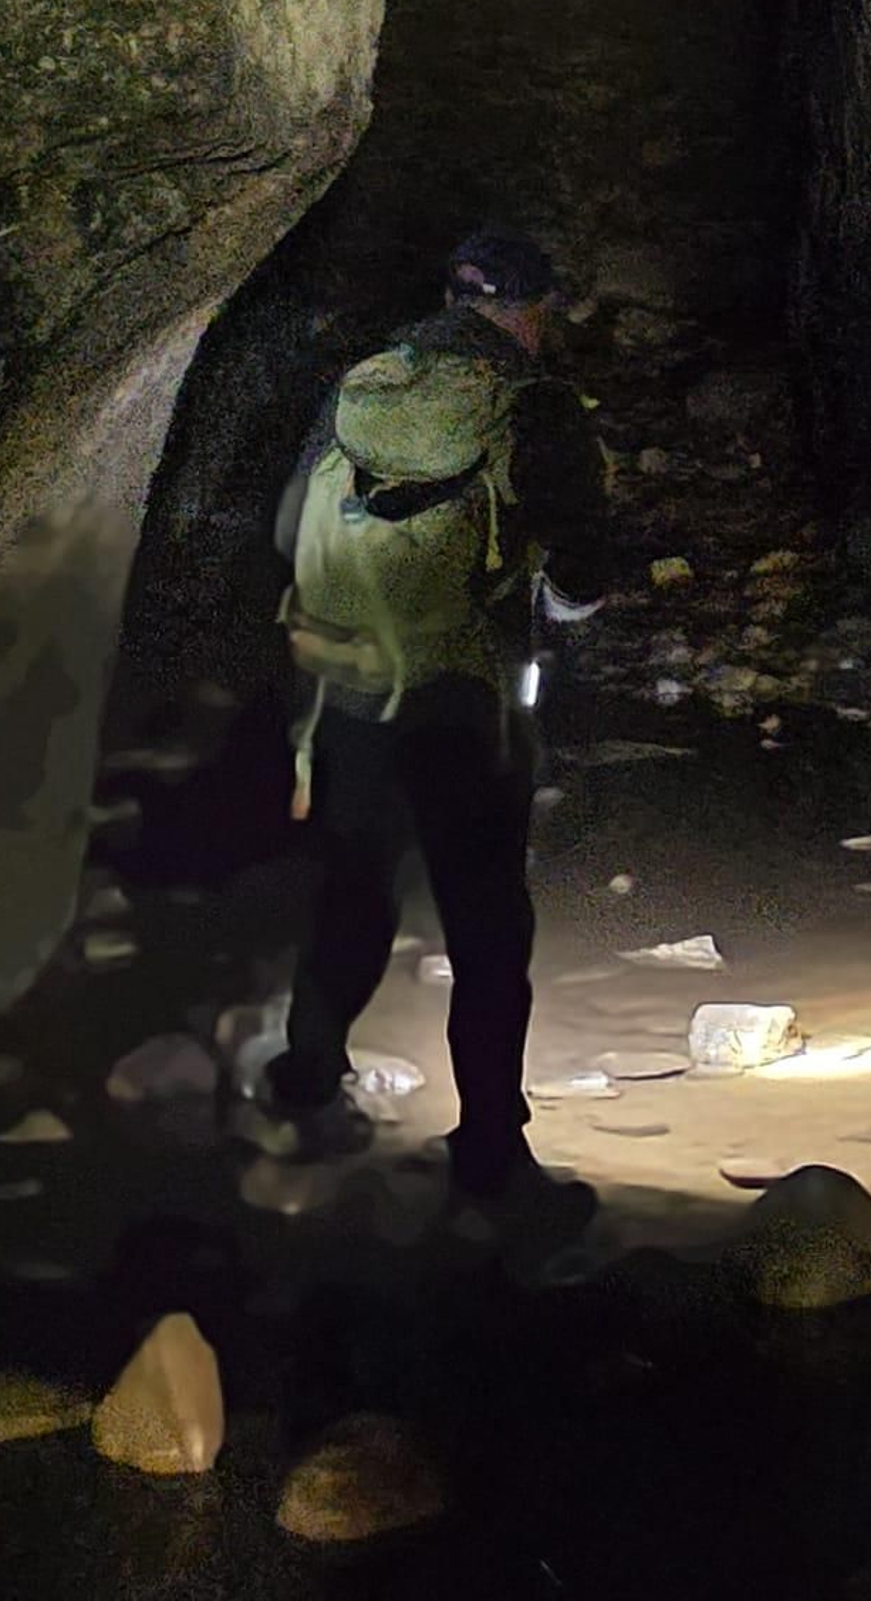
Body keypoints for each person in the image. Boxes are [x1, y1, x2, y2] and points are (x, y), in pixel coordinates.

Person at [253, 227, 613, 1224]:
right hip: (463, 699)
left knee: (352, 892)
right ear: (532, 311)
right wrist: (552, 603)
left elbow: (290, 523)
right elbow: (585, 561)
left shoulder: (361, 386)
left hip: (345, 691)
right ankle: (491, 1152)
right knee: (489, 925)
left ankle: (304, 1080)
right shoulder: (532, 404)